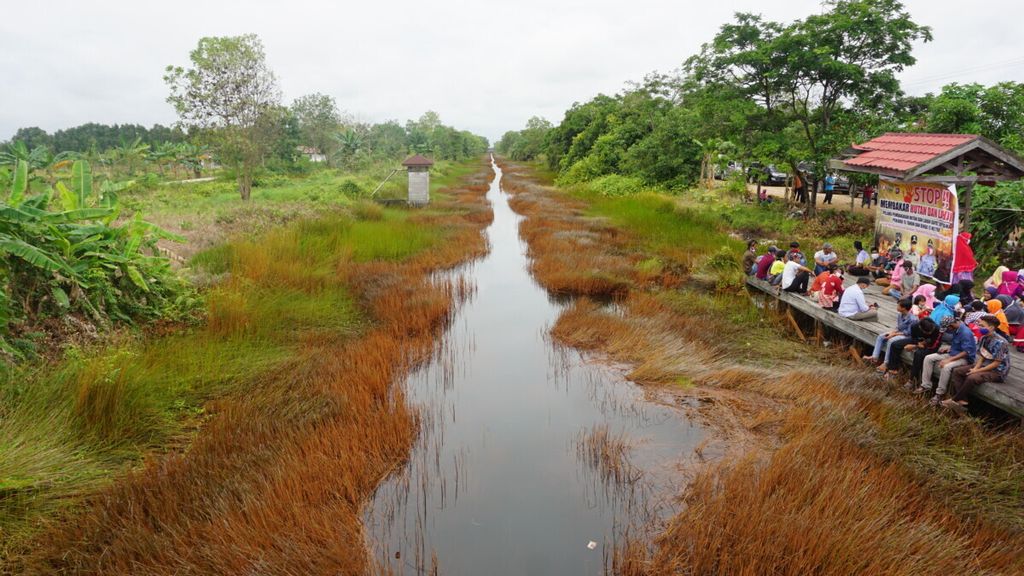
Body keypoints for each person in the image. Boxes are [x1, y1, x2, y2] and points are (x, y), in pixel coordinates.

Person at [942, 315, 1010, 415]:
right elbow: (982, 356)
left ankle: (954, 400)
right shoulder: (983, 338)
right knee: (957, 371)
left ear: (991, 328)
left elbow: (996, 363)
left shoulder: (1001, 342)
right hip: (985, 366)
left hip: (997, 371)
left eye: (982, 325)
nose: (979, 327)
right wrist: (976, 368)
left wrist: (976, 371)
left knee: (972, 377)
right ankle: (963, 401)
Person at [917, 315, 977, 406]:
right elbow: (958, 345)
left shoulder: (965, 333)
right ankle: (926, 385)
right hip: (953, 353)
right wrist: (948, 348)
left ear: (951, 325)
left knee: (946, 367)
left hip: (965, 358)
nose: (947, 331)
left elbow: (966, 352)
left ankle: (939, 393)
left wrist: (949, 360)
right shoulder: (955, 329)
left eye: (947, 328)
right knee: (928, 358)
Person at [864, 298, 918, 374]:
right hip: (899, 332)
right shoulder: (900, 315)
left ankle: (886, 363)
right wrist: (892, 333)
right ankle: (874, 357)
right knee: (881, 336)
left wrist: (894, 335)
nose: (897, 307)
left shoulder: (913, 319)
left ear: (904, 308)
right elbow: (898, 327)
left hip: (907, 336)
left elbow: (908, 333)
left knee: (891, 340)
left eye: (898, 306)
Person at [903, 318, 944, 390]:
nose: (930, 333)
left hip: (933, 346)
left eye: (931, 332)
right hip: (920, 343)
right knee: (896, 344)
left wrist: (917, 346)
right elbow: (914, 339)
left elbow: (934, 345)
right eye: (927, 332)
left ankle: (912, 379)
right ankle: (913, 380)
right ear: (920, 328)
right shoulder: (914, 326)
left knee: (919, 354)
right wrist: (917, 344)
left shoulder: (937, 329)